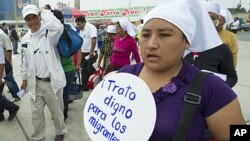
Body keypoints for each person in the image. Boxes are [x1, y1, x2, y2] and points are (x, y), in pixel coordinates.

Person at [118, 0, 245, 140]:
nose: (151, 44)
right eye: (146, 35)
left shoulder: (211, 88)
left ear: (186, 42)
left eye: (164, 35)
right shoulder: (124, 75)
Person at [20, 5, 66, 141]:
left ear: (39, 16)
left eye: (34, 17)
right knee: (36, 114)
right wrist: (24, 78)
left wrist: (44, 11)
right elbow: (24, 61)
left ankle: (60, 131)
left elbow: (58, 27)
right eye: (28, 19)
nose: (32, 21)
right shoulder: (25, 39)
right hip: (36, 83)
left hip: (52, 82)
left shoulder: (50, 34)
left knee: (57, 111)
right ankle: (39, 137)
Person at [184, 1, 238, 88]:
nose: (208, 21)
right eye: (204, 17)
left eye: (212, 18)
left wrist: (215, 89)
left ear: (217, 21)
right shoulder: (183, 44)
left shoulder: (222, 49)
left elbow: (231, 77)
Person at [53, 9, 82, 120]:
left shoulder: (67, 30)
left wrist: (78, 63)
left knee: (63, 95)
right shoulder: (51, 31)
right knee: (59, 95)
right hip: (58, 69)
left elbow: (77, 47)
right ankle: (61, 113)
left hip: (65, 68)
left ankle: (62, 114)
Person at [0, 27, 20, 122]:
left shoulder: (3, 36)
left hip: (4, 67)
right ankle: (1, 115)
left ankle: (15, 99)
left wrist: (8, 63)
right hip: (3, 67)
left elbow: (9, 50)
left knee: (10, 81)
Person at [75, 16, 98, 91]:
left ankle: (94, 85)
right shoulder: (81, 30)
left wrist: (92, 50)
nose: (78, 26)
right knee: (84, 70)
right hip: (83, 53)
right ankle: (85, 87)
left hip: (90, 53)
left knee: (90, 69)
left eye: (79, 24)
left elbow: (93, 38)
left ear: (84, 22)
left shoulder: (91, 27)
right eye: (77, 25)